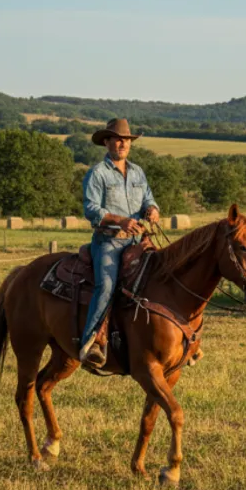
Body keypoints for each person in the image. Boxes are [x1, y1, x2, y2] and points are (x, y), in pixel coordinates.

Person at [79, 118, 159, 367]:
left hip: (138, 240)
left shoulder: (137, 172)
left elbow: (148, 198)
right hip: (109, 242)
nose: (122, 143)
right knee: (106, 286)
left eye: (126, 139)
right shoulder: (97, 174)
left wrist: (153, 209)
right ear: (107, 142)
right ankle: (91, 342)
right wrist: (120, 221)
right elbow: (91, 209)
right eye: (117, 139)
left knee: (164, 276)